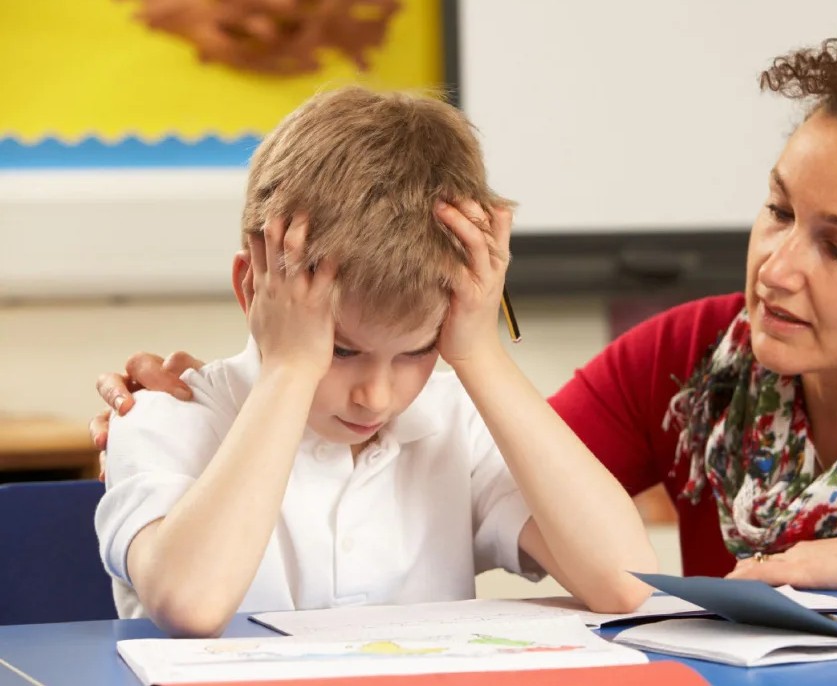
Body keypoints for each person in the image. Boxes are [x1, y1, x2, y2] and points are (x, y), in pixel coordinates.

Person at [93, 38, 837, 612]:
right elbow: (530, 475)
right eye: (776, 211)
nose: (777, 265)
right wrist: (280, 378)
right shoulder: (691, 358)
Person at [92, 86, 656, 638]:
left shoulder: (457, 424)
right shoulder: (163, 415)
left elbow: (628, 584)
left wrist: (479, 352)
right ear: (253, 289)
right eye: (340, 350)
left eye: (417, 351)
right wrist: (291, 369)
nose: (376, 396)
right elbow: (191, 604)